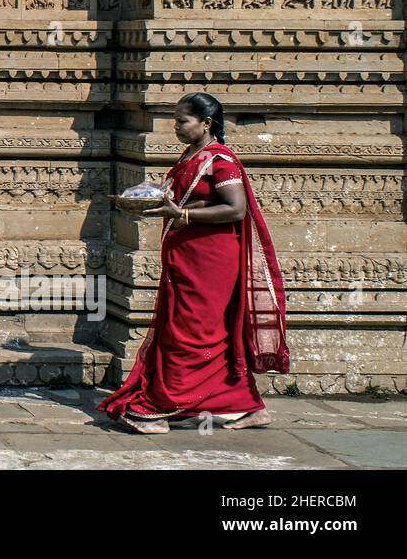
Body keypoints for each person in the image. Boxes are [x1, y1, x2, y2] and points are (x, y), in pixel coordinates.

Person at [99, 93, 290, 434]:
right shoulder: (192, 156)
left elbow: (236, 209)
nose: (176, 127)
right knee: (196, 331)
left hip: (211, 263)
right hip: (188, 259)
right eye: (175, 121)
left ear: (206, 124)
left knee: (191, 334)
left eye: (182, 121)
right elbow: (193, 197)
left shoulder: (222, 161)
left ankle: (159, 406)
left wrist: (182, 214)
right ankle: (245, 406)